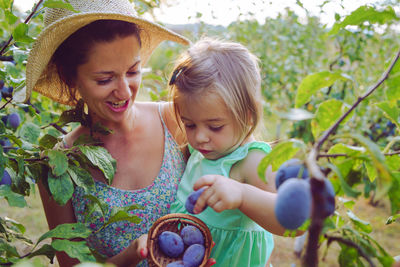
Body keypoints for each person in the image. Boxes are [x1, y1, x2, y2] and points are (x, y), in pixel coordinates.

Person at [25, 1, 215, 266]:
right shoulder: (58, 167)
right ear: (71, 79)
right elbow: (73, 264)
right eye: (105, 79)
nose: (125, 92)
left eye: (133, 71)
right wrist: (131, 256)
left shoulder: (177, 121)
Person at [168, 38, 287, 267]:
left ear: (248, 116)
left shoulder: (250, 161)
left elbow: (287, 222)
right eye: (190, 124)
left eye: (215, 126)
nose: (200, 137)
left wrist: (242, 195)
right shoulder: (204, 149)